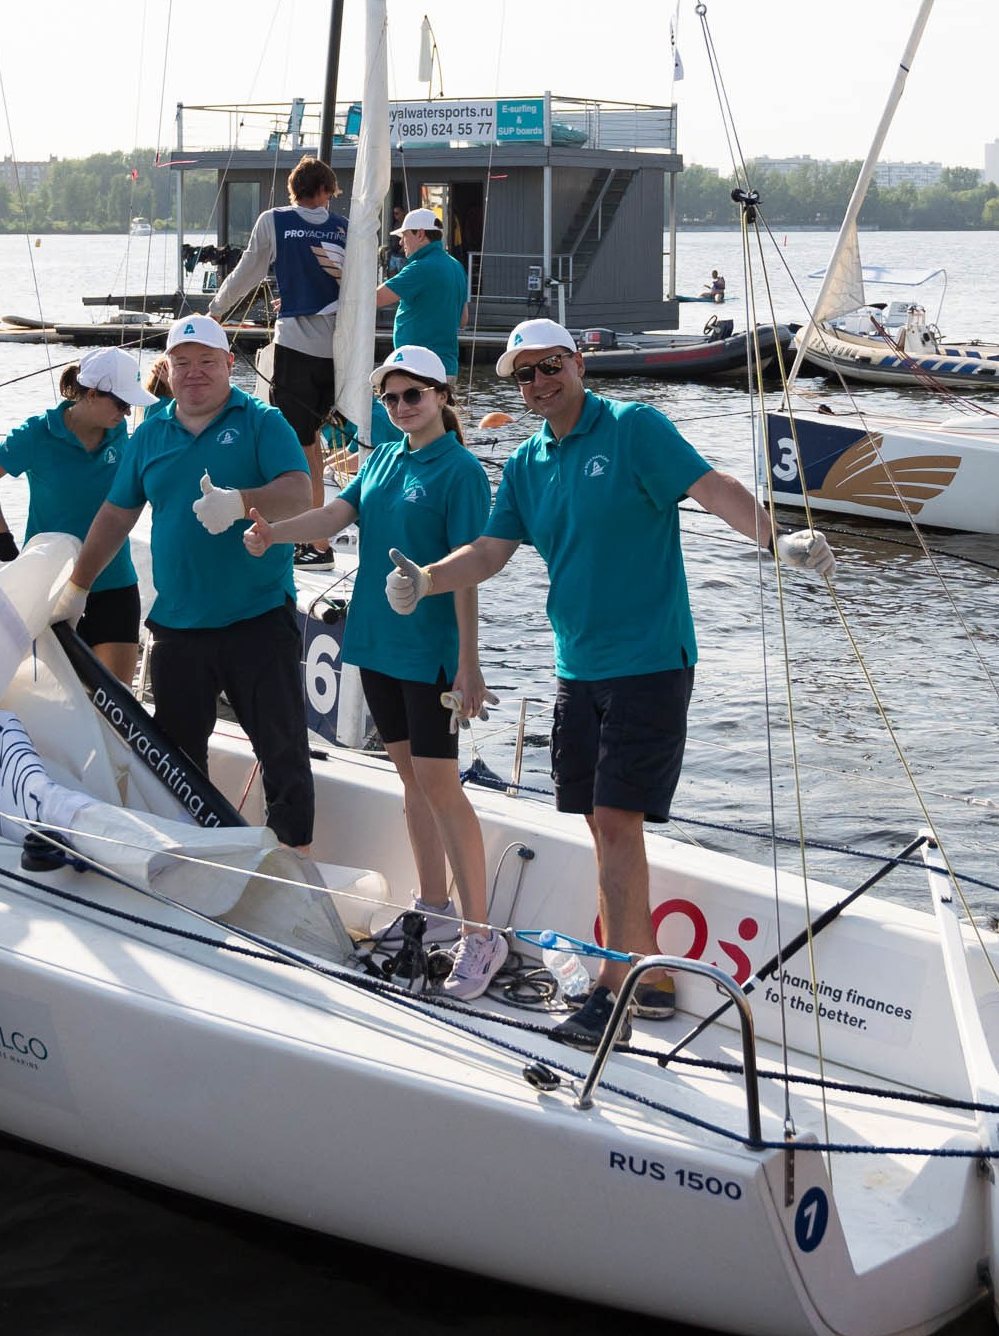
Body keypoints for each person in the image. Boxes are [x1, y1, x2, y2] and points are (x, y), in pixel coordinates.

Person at [377, 316, 828, 1052]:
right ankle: (645, 974)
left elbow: (712, 487)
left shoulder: (633, 428)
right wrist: (427, 580)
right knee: (596, 821)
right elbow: (491, 550)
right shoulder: (525, 462)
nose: (538, 381)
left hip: (649, 660)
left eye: (550, 365)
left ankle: (614, 994)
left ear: (578, 362)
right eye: (523, 374)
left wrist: (779, 540)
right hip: (575, 667)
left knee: (618, 821)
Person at [244, 344, 504, 999]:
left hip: (431, 654)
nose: (399, 408)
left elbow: (471, 568)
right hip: (379, 645)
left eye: (411, 395)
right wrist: (273, 533)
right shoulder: (384, 457)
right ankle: (435, 905)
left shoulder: (461, 471)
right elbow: (335, 514)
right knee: (412, 781)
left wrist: (469, 663)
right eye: (389, 399)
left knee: (443, 787)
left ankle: (481, 934)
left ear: (442, 395)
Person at [67, 313, 318, 843]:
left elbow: (300, 492)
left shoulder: (262, 422)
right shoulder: (150, 432)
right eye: (182, 363)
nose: (195, 373)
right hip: (177, 626)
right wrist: (76, 588)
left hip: (258, 616)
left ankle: (295, 867)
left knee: (282, 751)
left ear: (230, 364)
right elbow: (116, 515)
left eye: (207, 361)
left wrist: (242, 501)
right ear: (169, 370)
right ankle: (197, 858)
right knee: (177, 759)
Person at [0, 350, 154, 683]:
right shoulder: (38, 433)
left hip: (115, 585)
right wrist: (2, 540)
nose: (126, 414)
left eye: (130, 407)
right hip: (51, 588)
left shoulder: (120, 434)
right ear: (92, 395)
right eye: (121, 405)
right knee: (53, 699)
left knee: (118, 708)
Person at [209, 154, 349, 495]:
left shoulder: (274, 221)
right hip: (338, 354)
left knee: (296, 443)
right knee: (312, 437)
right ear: (322, 190)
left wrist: (215, 311)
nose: (329, 201)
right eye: (330, 194)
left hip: (296, 349)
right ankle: (314, 532)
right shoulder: (346, 228)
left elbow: (247, 272)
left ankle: (310, 535)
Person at [376, 207, 470, 382]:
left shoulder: (420, 267)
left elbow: (374, 300)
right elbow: (463, 319)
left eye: (404, 236)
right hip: (447, 367)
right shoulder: (456, 266)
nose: (401, 243)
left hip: (417, 368)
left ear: (420, 234)